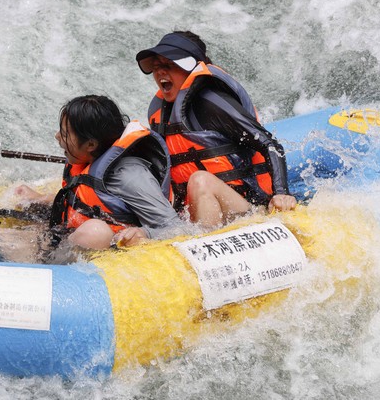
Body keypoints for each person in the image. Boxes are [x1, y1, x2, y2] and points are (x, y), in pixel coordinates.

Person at [135, 31, 297, 228]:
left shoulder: (212, 102)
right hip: (199, 213)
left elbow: (269, 144)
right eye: (156, 67)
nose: (160, 72)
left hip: (248, 209)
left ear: (190, 67)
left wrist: (282, 192)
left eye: (169, 65)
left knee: (200, 181)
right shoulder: (161, 113)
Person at [15, 95, 183, 251]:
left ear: (91, 145)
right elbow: (89, 203)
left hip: (109, 252)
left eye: (65, 134)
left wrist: (145, 234)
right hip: (70, 235)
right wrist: (40, 199)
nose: (57, 136)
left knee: (95, 231)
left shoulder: (129, 176)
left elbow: (177, 228)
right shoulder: (89, 159)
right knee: (6, 235)